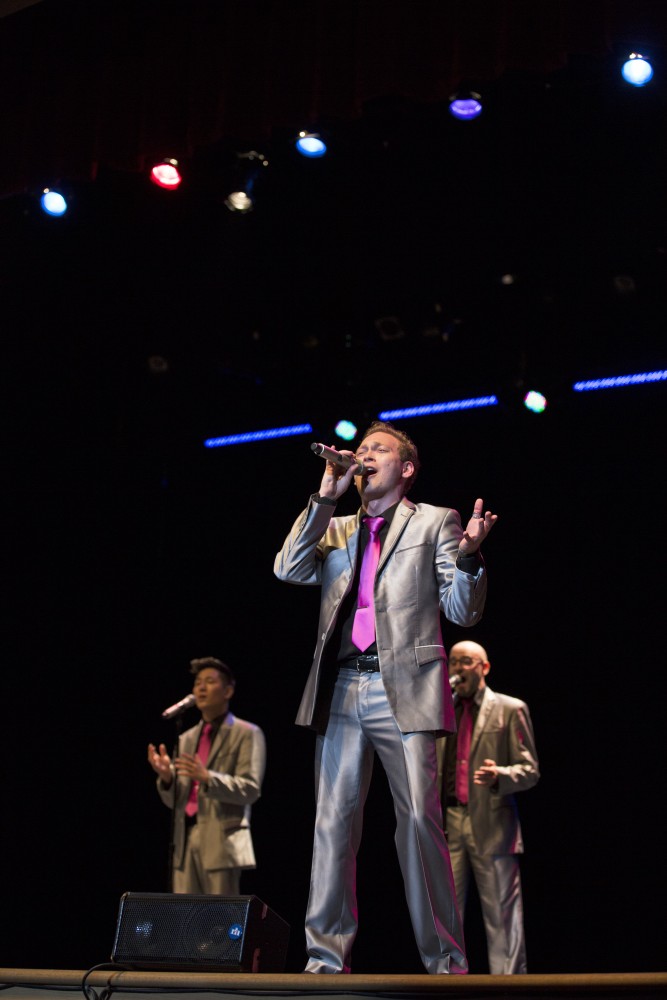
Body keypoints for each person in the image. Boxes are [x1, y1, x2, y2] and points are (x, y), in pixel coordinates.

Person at [274, 420, 497, 974]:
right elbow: (288, 568)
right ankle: (325, 960)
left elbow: (462, 610)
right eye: (363, 449)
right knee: (333, 823)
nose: (365, 455)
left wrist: (469, 558)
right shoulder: (337, 526)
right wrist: (323, 498)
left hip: (409, 685)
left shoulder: (435, 520)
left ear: (406, 468)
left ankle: (446, 961)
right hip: (344, 686)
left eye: (379, 449)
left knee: (419, 823)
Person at [439, 639, 539, 974]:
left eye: (465, 661)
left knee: (502, 917)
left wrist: (501, 775)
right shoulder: (440, 711)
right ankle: (445, 986)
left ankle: (509, 990)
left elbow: (530, 770)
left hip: (493, 824)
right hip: (448, 824)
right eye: (452, 662)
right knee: (445, 916)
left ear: (484, 667)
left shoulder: (510, 708)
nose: (457, 669)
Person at [147, 656, 266, 895]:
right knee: (185, 920)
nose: (201, 687)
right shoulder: (186, 738)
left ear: (228, 690)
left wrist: (207, 777)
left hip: (222, 841)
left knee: (219, 921)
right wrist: (167, 778)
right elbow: (176, 800)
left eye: (209, 681)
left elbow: (250, 788)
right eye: (198, 682)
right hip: (185, 840)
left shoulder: (247, 733)